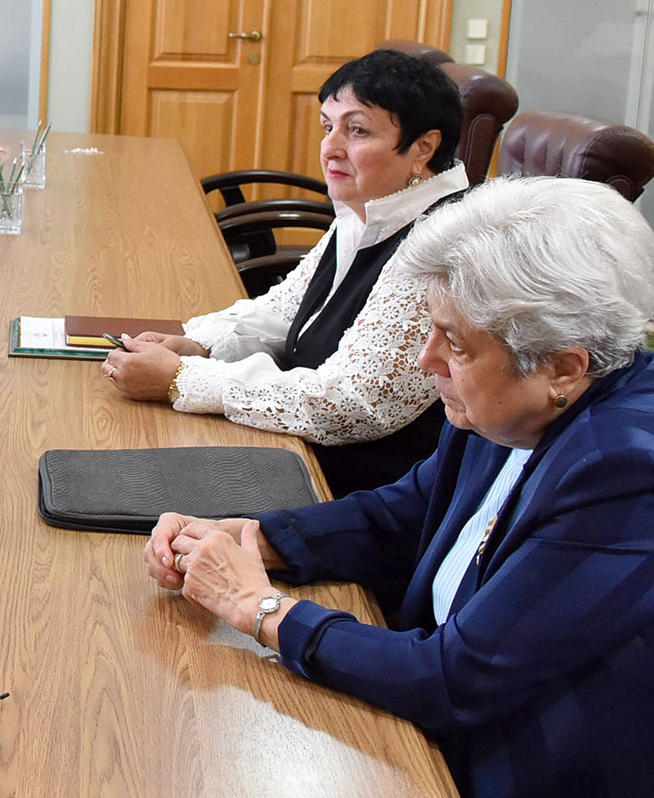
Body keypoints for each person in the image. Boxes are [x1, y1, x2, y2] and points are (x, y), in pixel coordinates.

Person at [144, 178, 654, 798]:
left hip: (594, 786)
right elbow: (402, 514)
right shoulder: (518, 405)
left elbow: (452, 681)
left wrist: (257, 606)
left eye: (455, 343)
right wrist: (251, 539)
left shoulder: (630, 466)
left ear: (563, 366)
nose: (427, 359)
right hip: (484, 719)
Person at [104, 49, 469, 495]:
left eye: (357, 130)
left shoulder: (442, 244)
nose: (330, 148)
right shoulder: (375, 206)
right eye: (328, 127)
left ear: (424, 147)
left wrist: (183, 379)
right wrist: (198, 345)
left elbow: (353, 404)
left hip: (356, 492)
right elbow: (285, 310)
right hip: (297, 454)